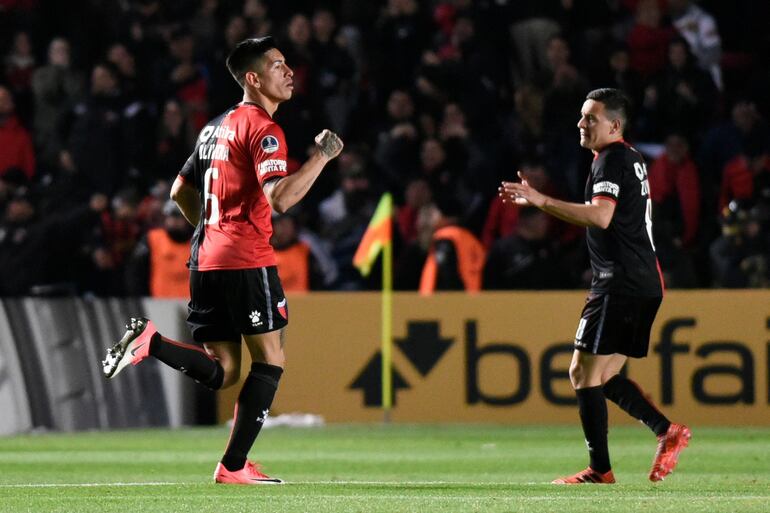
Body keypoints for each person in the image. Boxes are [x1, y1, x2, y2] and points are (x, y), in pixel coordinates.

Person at [101, 36, 343, 484]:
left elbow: (179, 191)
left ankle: (150, 343)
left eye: (288, 63)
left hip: (205, 261)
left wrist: (209, 232)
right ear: (253, 78)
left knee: (225, 371)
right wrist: (322, 158)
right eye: (277, 65)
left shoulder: (213, 127)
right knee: (270, 361)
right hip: (246, 259)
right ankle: (233, 466)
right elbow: (282, 198)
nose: (288, 72)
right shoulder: (263, 129)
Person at [499, 88, 690, 484]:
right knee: (601, 377)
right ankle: (666, 432)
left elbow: (601, 217)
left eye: (591, 118)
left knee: (581, 374)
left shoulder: (611, 159)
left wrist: (538, 199)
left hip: (619, 283)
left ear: (614, 125)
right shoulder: (631, 157)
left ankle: (600, 470)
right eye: (582, 116)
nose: (581, 124)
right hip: (645, 282)